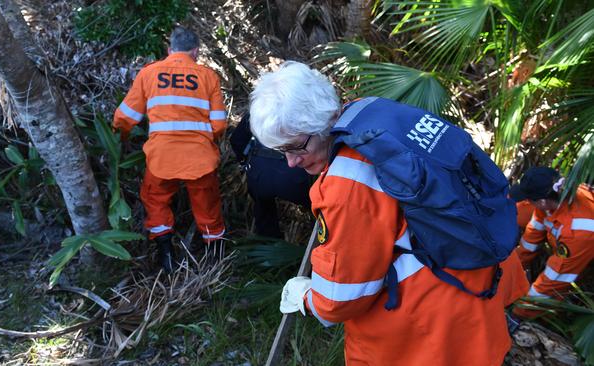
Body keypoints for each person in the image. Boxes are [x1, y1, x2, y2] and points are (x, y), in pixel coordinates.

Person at [249, 61, 529, 365]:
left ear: (320, 123)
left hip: (434, 316)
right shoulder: (369, 111)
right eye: (282, 151)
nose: (291, 162)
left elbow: (342, 297)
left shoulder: (348, 183)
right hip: (479, 275)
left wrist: (307, 298)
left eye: (296, 147)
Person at [112, 26, 227, 271]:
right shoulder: (208, 76)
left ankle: (167, 257)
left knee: (155, 200)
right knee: (208, 206)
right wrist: (209, 142)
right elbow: (219, 123)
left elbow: (125, 117)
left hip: (160, 158)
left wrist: (119, 140)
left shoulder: (149, 73)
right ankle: (215, 261)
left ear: (169, 49)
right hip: (200, 159)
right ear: (196, 51)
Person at [511, 167, 594, 318]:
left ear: (542, 201)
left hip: (582, 251)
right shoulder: (554, 198)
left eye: (529, 199)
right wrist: (511, 269)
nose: (526, 202)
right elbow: (531, 236)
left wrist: (521, 311)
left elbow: (554, 281)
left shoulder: (577, 232)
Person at [229, 112, 312, 238]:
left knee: (263, 211)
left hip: (258, 173)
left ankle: (269, 244)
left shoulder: (258, 109)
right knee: (316, 205)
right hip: (292, 173)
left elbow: (237, 140)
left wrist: (246, 162)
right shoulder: (300, 106)